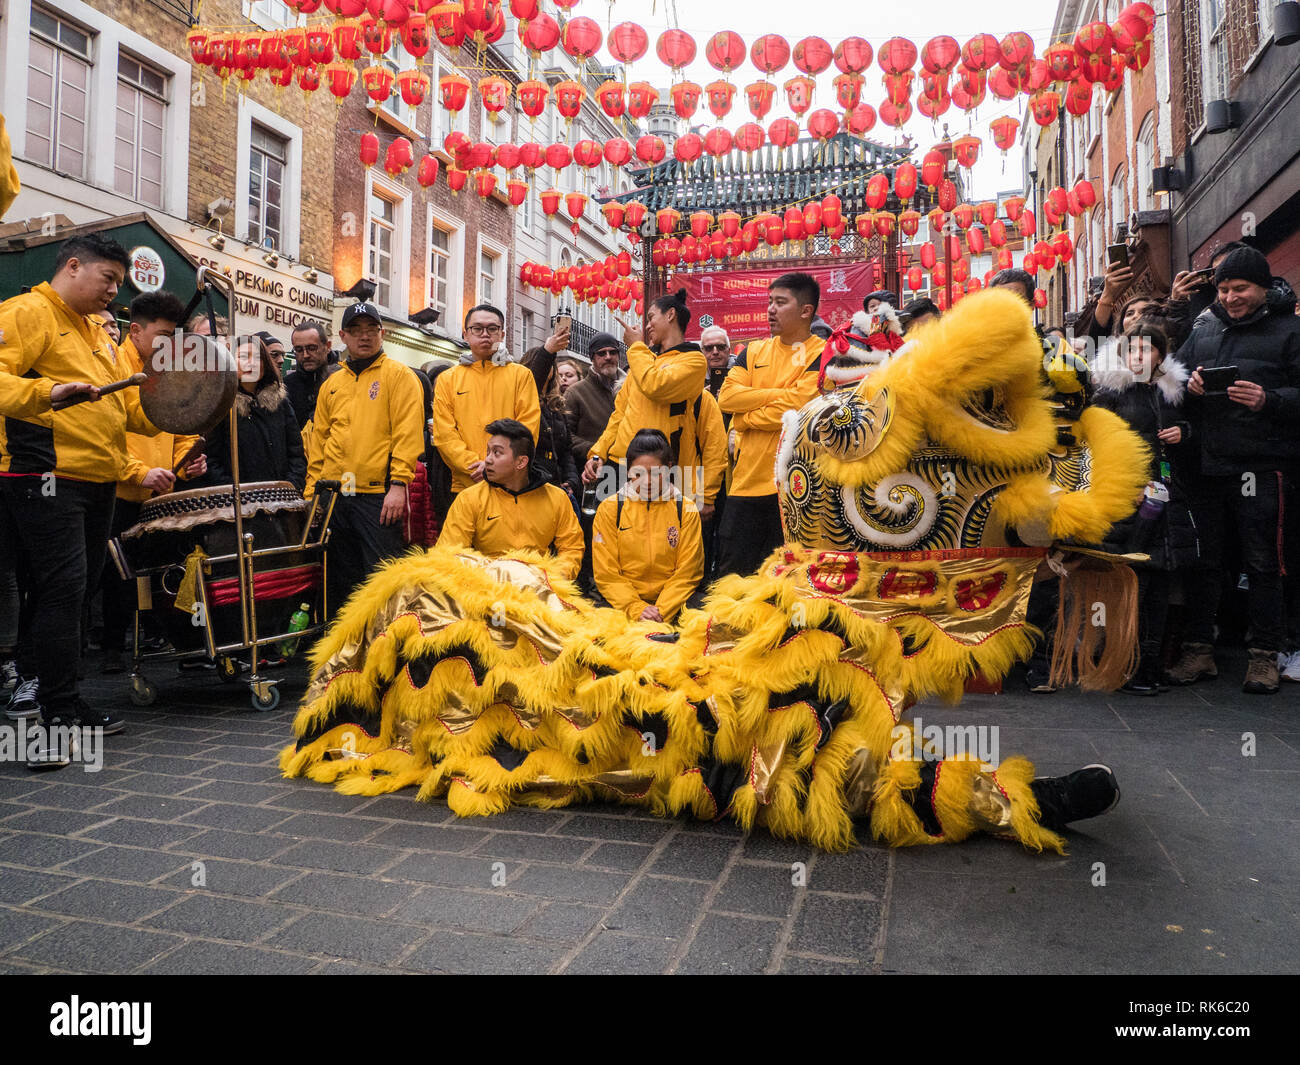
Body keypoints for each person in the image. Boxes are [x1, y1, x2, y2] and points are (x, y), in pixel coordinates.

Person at [0, 233, 157, 747]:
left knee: (78, 591)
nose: (114, 291)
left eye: (119, 282)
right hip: (46, 473)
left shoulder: (97, 333)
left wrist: (180, 405)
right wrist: (47, 391)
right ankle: (56, 706)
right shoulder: (26, 312)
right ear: (72, 266)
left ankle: (56, 693)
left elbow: (129, 410)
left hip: (98, 477)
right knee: (64, 591)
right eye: (108, 279)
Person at [1166, 246, 1300, 694]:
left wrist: (1270, 400)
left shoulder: (1290, 330)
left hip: (1263, 466)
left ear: (1263, 287)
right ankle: (1198, 650)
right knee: (1205, 560)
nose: (1230, 297)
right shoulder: (1204, 326)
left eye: (1240, 288)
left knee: (1264, 562)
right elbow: (1169, 381)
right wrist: (1190, 385)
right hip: (1207, 464)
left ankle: (1264, 656)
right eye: (1223, 289)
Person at [100, 291, 208, 674]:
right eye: (162, 336)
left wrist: (186, 461)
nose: (168, 344)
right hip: (120, 490)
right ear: (136, 332)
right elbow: (107, 431)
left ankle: (159, 638)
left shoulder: (166, 368)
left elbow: (179, 424)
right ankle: (113, 647)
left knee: (161, 572)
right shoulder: (113, 365)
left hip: (161, 493)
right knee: (117, 576)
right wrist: (137, 471)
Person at [1091, 322, 1198, 694]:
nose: (1139, 356)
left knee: (1160, 582)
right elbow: (1097, 448)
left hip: (1168, 497)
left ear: (1160, 354)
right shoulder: (1110, 393)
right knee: (1129, 581)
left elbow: (1194, 431)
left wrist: (1184, 432)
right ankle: (1123, 664)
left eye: (1147, 350)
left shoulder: (1172, 392)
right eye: (1132, 350)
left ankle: (1149, 665)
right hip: (1129, 499)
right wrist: (1125, 487)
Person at [307, 301, 424, 613]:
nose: (365, 337)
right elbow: (319, 441)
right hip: (334, 495)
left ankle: (383, 648)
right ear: (343, 336)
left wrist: (398, 485)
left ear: (382, 333)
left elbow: (407, 434)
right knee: (338, 578)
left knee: (381, 579)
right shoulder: (331, 383)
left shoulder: (400, 376)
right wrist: (312, 495)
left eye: (371, 330)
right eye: (356, 331)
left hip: (377, 495)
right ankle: (341, 649)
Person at [582, 290, 724, 526]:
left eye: (651, 317)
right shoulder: (643, 362)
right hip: (620, 468)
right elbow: (619, 416)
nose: (647, 326)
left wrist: (706, 494)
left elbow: (655, 385)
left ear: (670, 315)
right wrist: (598, 453)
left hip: (667, 472)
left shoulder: (694, 361)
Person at [716, 272, 826, 577]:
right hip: (745, 484)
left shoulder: (822, 354)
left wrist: (746, 418)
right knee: (733, 576)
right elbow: (726, 398)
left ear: (806, 310)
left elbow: (803, 406)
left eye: (780, 302)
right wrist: (782, 397)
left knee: (790, 578)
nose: (770, 310)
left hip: (796, 488)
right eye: (769, 302)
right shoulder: (752, 351)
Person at [438, 418, 584, 579]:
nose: (487, 460)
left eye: (497, 453)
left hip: (540, 584)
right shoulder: (469, 498)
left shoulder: (556, 498)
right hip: (486, 585)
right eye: (488, 452)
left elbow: (572, 547)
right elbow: (449, 553)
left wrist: (557, 576)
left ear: (521, 462)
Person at [592, 429, 704, 623]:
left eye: (655, 473)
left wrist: (661, 611)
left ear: (669, 468)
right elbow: (606, 573)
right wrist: (636, 608)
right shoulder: (610, 509)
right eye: (638, 473)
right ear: (628, 471)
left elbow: (689, 570)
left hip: (674, 603)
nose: (647, 481)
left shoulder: (686, 508)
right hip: (623, 603)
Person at [432, 305, 541, 501]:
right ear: (466, 334)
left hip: (510, 484)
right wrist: (474, 465)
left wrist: (494, 465)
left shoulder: (521, 375)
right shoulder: (448, 379)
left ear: (502, 334)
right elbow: (444, 434)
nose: (485, 335)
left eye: (492, 329)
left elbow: (527, 427)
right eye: (477, 329)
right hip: (466, 483)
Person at [201, 334, 306, 492]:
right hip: (236, 502)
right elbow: (211, 460)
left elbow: (296, 452)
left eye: (258, 357)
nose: (251, 363)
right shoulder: (221, 405)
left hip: (281, 500)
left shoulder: (280, 402)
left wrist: (291, 486)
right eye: (243, 356)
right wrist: (233, 491)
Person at [520, 320, 581, 503]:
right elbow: (533, 382)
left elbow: (566, 451)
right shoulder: (523, 399)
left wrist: (571, 480)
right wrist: (546, 352)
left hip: (558, 485)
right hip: (533, 484)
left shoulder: (556, 406)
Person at [564, 331, 623, 468]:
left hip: (628, 469)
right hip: (592, 470)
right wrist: (598, 450)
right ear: (592, 358)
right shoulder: (575, 393)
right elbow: (566, 437)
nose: (608, 357)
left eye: (612, 352)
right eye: (601, 353)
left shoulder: (630, 387)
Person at [284, 320, 338, 430]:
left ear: (327, 346)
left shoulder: (343, 379)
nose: (305, 355)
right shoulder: (286, 386)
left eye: (312, 348)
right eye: (299, 350)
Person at [701, 325, 732, 401]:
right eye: (709, 348)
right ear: (702, 352)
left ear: (729, 350)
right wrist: (701, 397)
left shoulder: (743, 369)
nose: (715, 352)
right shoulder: (694, 375)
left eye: (720, 347)